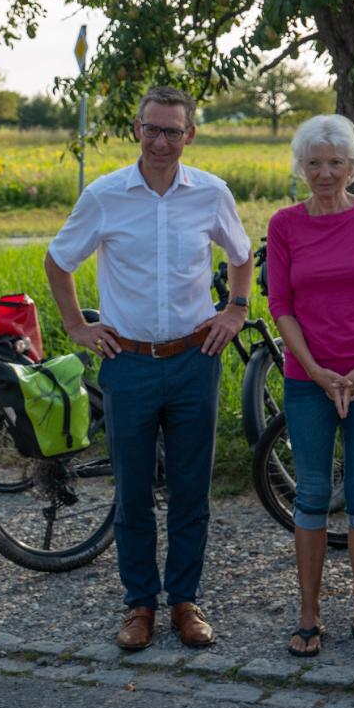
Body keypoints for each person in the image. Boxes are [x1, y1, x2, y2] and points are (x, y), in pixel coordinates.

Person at [45, 85, 253, 651]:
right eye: (152, 129)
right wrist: (77, 328)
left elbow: (241, 255)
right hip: (129, 363)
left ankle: (185, 601)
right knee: (132, 492)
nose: (161, 141)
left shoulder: (210, 193)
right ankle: (140, 605)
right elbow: (58, 261)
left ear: (190, 134)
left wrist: (235, 309)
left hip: (194, 359)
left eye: (173, 131)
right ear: (137, 129)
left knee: (191, 491)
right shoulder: (105, 195)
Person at [265, 114, 354, 658]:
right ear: (301, 168)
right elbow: (281, 306)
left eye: (336, 163)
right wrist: (318, 372)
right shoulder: (284, 225)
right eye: (314, 163)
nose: (325, 173)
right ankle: (308, 616)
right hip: (309, 379)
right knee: (313, 495)